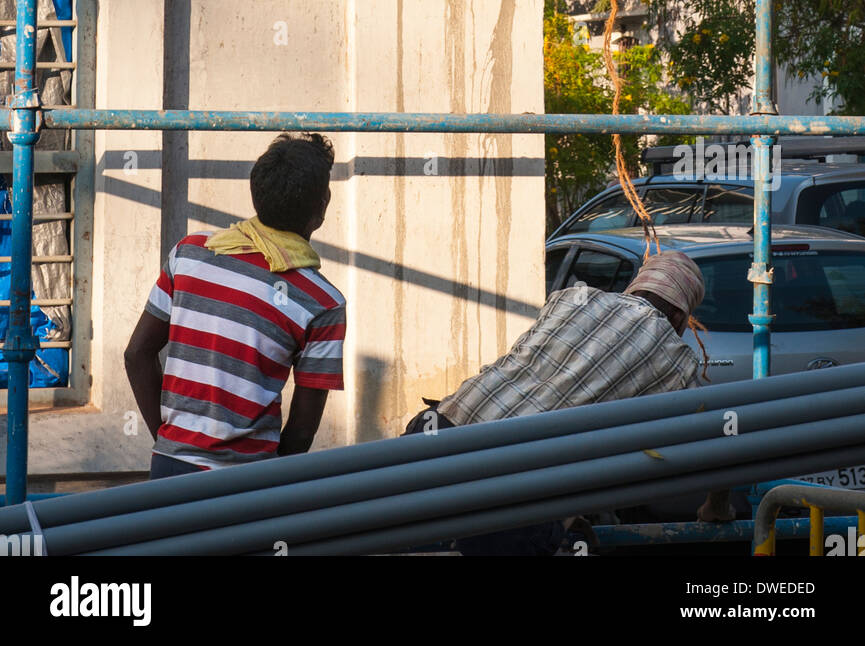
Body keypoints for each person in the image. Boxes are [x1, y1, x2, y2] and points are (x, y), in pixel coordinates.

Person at [404, 250, 732, 555]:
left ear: (636, 288)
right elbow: (714, 445)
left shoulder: (575, 298)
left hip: (436, 433)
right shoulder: (677, 360)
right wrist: (716, 506)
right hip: (513, 493)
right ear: (679, 315)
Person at [125, 132, 345, 478]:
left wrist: (169, 443)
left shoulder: (190, 253)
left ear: (256, 193)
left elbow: (137, 353)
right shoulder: (323, 302)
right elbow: (302, 430)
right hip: (250, 483)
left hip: (169, 468)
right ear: (322, 207)